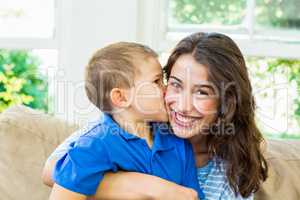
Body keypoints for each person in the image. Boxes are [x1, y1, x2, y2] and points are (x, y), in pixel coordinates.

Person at [44, 32, 268, 200]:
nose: (182, 105)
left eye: (202, 92)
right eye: (174, 84)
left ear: (226, 102)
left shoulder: (221, 165)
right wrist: (154, 188)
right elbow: (53, 170)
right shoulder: (108, 130)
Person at [48, 42, 204, 200]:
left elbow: (192, 196)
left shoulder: (177, 141)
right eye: (157, 81)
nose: (167, 89)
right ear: (121, 98)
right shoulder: (93, 144)